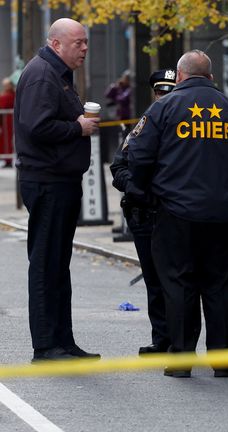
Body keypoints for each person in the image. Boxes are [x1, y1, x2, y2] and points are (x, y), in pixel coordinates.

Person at [128, 50, 228, 378]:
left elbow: (140, 156)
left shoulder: (163, 108)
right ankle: (223, 359)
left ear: (180, 77)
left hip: (175, 214)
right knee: (220, 287)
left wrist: (143, 194)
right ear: (211, 77)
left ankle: (183, 358)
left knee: (179, 285)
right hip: (222, 217)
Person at [13, 18, 101, 363]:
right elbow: (36, 126)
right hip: (47, 180)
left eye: (86, 43)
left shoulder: (58, 74)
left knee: (58, 265)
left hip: (61, 180)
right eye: (78, 42)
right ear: (56, 43)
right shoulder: (41, 75)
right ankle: (46, 345)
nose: (84, 49)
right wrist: (76, 127)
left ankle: (64, 341)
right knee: (46, 264)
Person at [110, 68, 177, 356]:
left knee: (177, 281)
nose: (164, 97)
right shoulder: (143, 125)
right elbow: (118, 168)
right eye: (160, 92)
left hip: (176, 214)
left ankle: (180, 340)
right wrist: (138, 189)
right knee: (154, 280)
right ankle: (162, 337)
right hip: (146, 214)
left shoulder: (186, 128)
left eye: (169, 92)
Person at [0, 77, 15, 166]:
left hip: (9, 121)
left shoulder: (10, 95)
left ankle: (8, 160)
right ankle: (7, 160)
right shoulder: (6, 94)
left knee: (7, 140)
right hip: (5, 120)